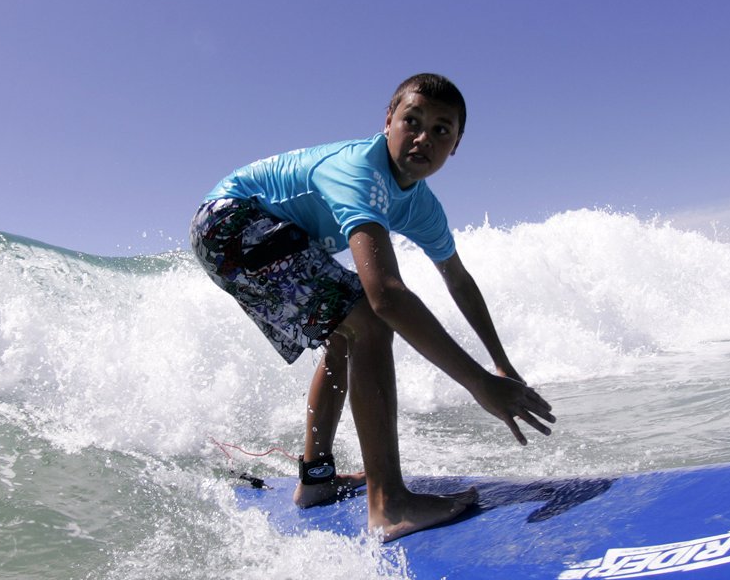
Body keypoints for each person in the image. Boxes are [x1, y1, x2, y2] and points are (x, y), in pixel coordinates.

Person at [190, 73, 556, 541]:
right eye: (412, 121)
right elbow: (386, 294)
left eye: (441, 130)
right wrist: (478, 384)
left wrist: (501, 365)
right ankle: (389, 504)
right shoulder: (358, 171)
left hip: (256, 228)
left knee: (348, 331)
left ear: (456, 145)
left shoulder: (421, 206)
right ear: (388, 121)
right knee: (368, 319)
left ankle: (316, 481)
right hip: (226, 220)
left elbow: (459, 280)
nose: (424, 137)